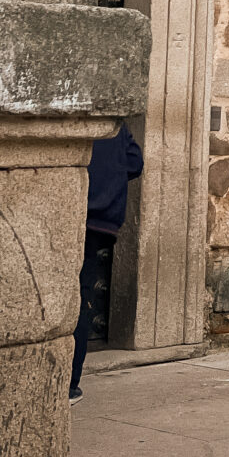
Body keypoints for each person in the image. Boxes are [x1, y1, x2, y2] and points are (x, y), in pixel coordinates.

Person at [70, 121, 143, 402]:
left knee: (69, 297)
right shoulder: (117, 125)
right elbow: (135, 163)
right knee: (82, 297)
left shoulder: (75, 116)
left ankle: (63, 382)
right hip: (102, 222)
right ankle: (69, 384)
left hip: (75, 214)